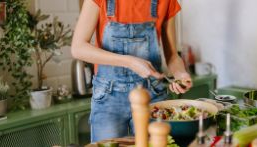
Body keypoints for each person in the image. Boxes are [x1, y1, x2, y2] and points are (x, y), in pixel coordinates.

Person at [71, 0, 192, 142]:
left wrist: (180, 74)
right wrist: (130, 62)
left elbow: (172, 55)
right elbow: (78, 48)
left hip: (152, 95)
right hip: (108, 98)